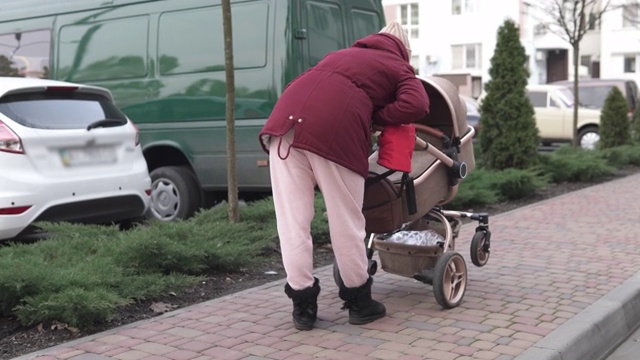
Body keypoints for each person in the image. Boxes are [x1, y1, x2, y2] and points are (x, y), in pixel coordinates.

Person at [258, 21, 430, 330]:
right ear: (404, 50)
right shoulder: (397, 64)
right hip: (334, 131)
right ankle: (359, 302)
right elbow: (418, 103)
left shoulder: (338, 55)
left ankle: (303, 309)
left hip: (282, 127)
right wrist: (376, 116)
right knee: (346, 220)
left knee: (292, 223)